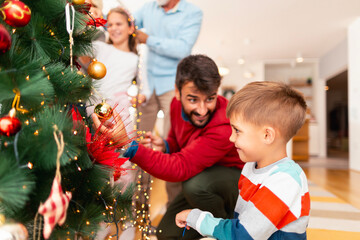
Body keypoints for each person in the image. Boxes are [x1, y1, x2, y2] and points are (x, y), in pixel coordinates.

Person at [92, 54, 244, 240]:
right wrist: (166, 145)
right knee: (166, 234)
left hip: (233, 184)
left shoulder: (223, 125)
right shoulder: (174, 105)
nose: (202, 110)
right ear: (177, 92)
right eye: (193, 100)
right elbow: (179, 140)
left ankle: (228, 230)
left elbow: (180, 167)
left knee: (194, 185)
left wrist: (129, 146)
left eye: (210, 99)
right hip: (202, 180)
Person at [175, 81, 311, 240]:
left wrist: (197, 218)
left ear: (267, 135)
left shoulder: (285, 180)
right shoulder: (250, 167)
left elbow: (243, 235)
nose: (231, 137)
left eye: (237, 131)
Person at [133, 0, 203, 138]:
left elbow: (182, 49)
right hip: (148, 84)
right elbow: (126, 22)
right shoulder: (149, 7)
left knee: (171, 136)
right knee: (137, 135)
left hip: (173, 84)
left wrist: (149, 40)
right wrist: (101, 18)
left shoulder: (193, 13)